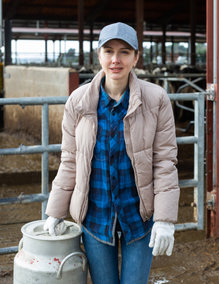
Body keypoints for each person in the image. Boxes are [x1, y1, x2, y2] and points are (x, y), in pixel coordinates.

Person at [43, 22, 180, 283]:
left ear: (136, 57)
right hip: (95, 216)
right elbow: (70, 159)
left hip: (139, 217)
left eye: (125, 52)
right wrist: (55, 211)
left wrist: (164, 219)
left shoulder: (156, 99)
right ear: (99, 55)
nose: (115, 60)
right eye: (108, 51)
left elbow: (164, 161)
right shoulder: (78, 101)